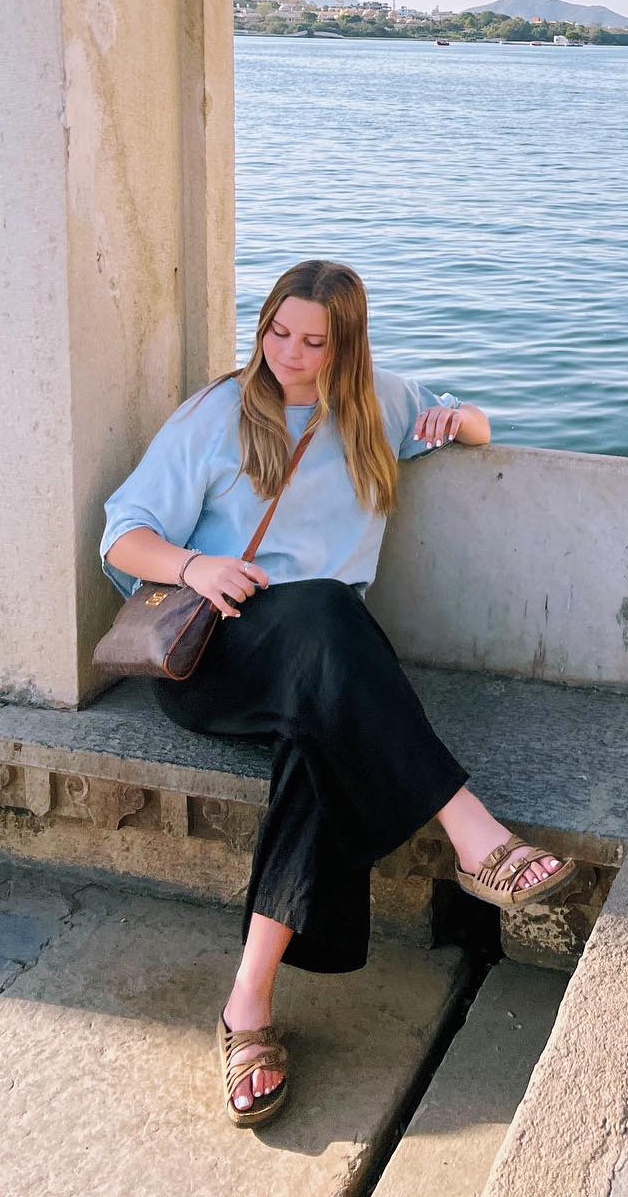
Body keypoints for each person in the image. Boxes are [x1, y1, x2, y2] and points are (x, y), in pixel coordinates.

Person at [100, 258, 578, 1127]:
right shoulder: (217, 414)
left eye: (315, 342)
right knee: (325, 608)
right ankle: (472, 830)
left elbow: (472, 424)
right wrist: (196, 565)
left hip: (325, 670)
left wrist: (461, 421)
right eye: (278, 333)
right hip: (217, 659)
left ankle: (247, 1006)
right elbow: (122, 534)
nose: (290, 354)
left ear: (348, 346)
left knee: (316, 738)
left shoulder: (380, 404)